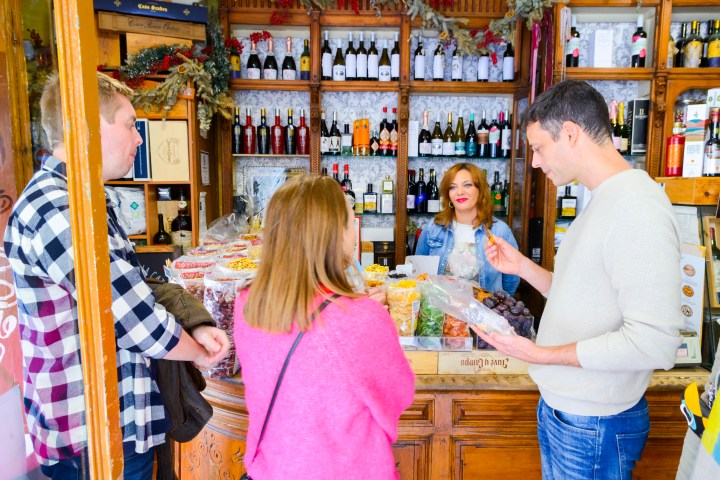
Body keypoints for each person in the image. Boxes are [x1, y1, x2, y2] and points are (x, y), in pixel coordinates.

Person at [3, 72, 230, 479]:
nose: (139, 138)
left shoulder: (81, 198)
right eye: (129, 124)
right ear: (88, 126)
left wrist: (193, 326)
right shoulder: (59, 209)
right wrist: (201, 353)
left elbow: (132, 291)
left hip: (112, 426)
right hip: (93, 437)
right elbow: (137, 322)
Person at [473, 79, 683, 479]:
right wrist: (523, 268)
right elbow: (581, 295)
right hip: (569, 413)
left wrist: (537, 354)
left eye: (538, 148)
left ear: (570, 133)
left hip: (595, 425)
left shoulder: (637, 209)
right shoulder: (604, 199)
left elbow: (655, 344)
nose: (534, 162)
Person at [233, 174, 415, 479]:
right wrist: (366, 314)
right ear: (334, 233)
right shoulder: (362, 317)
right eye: (348, 220)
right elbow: (398, 394)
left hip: (274, 466)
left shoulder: (248, 302)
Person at [415, 162, 520, 294]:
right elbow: (418, 273)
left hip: (484, 311)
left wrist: (495, 308)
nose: (459, 192)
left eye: (467, 185)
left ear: (480, 190)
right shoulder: (433, 228)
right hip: (439, 311)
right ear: (448, 195)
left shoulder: (500, 231)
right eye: (452, 187)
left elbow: (511, 280)